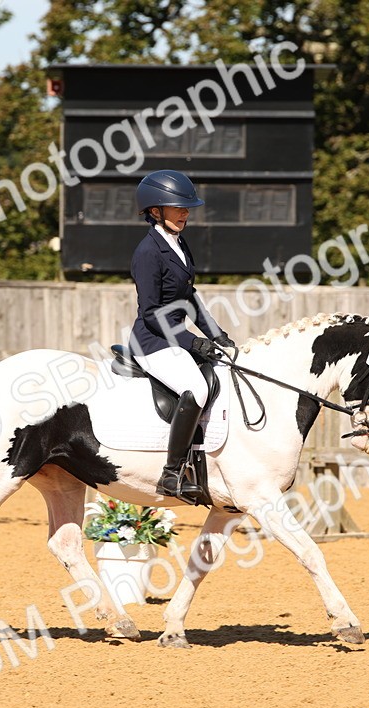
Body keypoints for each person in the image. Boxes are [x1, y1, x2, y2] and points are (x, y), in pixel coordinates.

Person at [128, 169, 236, 504]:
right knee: (197, 388)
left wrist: (217, 335)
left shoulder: (179, 244)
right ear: (156, 210)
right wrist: (193, 343)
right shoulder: (147, 252)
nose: (186, 212)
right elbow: (151, 314)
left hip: (174, 337)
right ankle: (172, 472)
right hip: (152, 341)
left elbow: (189, 298)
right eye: (178, 207)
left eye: (187, 207)